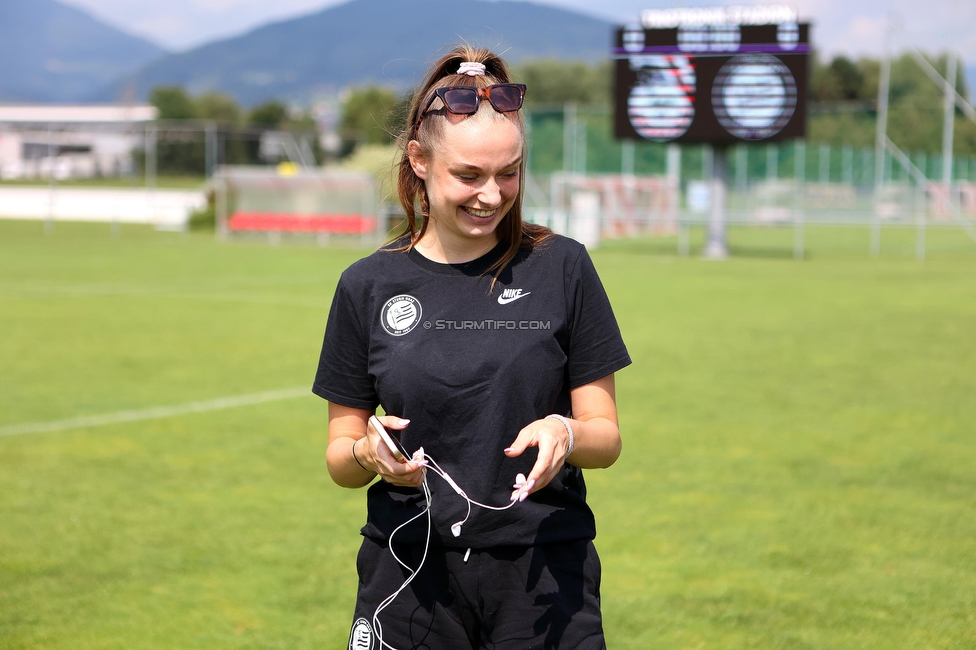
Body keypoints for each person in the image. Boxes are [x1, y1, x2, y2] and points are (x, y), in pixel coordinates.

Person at [313, 44, 631, 650]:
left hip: (544, 578)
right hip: (409, 575)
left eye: (508, 172)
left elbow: (606, 438)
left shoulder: (562, 267)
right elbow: (339, 455)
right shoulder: (366, 284)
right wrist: (366, 454)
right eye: (469, 176)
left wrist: (566, 431)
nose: (491, 194)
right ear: (419, 161)